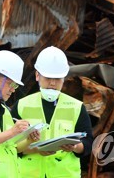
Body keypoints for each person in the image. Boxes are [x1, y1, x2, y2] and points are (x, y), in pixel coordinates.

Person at [12, 46, 94, 178]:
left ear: (64, 78)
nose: (52, 83)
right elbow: (9, 146)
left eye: (57, 79)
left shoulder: (77, 107)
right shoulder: (21, 106)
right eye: (48, 78)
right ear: (37, 75)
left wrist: (75, 147)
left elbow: (88, 143)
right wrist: (35, 149)